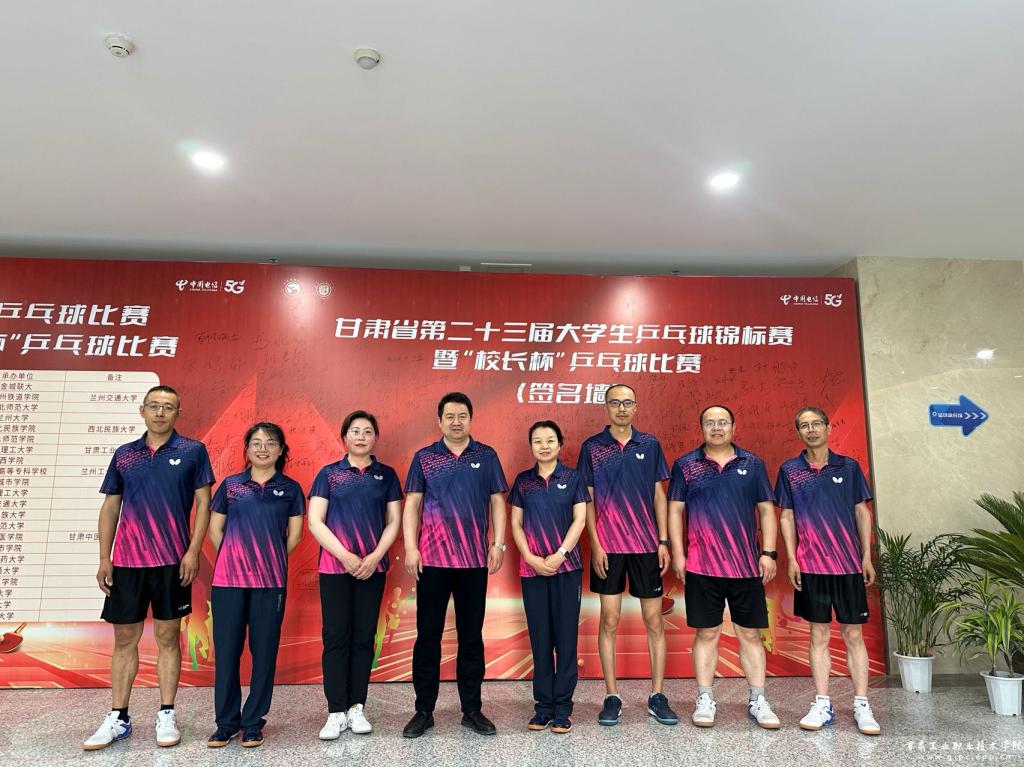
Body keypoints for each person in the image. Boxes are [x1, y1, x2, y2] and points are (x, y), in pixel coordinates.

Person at [85, 385, 214, 751]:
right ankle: (119, 717)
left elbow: (203, 504)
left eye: (168, 407)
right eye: (154, 406)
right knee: (124, 640)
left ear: (178, 413)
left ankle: (167, 713)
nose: (160, 412)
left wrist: (193, 551)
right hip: (127, 563)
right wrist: (104, 557)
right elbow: (111, 507)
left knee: (168, 638)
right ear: (142, 410)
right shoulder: (125, 455)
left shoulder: (192, 451)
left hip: (172, 562)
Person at [401, 392, 508, 738]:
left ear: (471, 419)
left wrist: (498, 543)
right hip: (432, 561)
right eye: (450, 416)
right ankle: (423, 710)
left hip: (473, 561)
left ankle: (472, 710)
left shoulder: (486, 455)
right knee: (427, 636)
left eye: (462, 415)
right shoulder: (425, 457)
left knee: (471, 637)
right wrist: (411, 547)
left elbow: (497, 501)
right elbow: (412, 504)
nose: (456, 421)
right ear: (440, 421)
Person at [667, 405, 780, 729]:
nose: (716, 428)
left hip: (746, 566)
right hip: (701, 566)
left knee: (750, 634)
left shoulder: (752, 463)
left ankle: (758, 699)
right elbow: (675, 510)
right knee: (707, 633)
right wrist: (679, 554)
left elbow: (766, 510)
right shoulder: (686, 465)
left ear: (733, 427)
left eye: (722, 422)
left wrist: (768, 553)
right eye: (710, 423)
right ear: (701, 427)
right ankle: (705, 698)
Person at [775, 407, 880, 735]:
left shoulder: (848, 467)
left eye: (816, 424)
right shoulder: (790, 470)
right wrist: (792, 559)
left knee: (853, 635)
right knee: (818, 635)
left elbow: (861, 512)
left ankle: (862, 704)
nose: (811, 430)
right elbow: (786, 516)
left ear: (828, 427)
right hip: (811, 567)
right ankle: (822, 703)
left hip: (848, 566)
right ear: (799, 432)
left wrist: (866, 556)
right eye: (804, 426)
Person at [577, 384, 676, 727]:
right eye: (615, 403)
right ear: (606, 407)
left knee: (654, 621)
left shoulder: (649, 444)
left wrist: (663, 540)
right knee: (609, 620)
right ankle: (611, 696)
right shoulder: (592, 447)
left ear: (636, 407)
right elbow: (587, 498)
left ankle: (657, 695)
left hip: (646, 546)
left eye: (627, 403)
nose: (621, 408)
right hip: (609, 547)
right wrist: (595, 543)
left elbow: (659, 495)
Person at [205, 423, 305, 748]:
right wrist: (236, 558)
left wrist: (266, 559)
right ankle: (226, 723)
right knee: (227, 652)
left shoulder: (290, 489)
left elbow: (294, 536)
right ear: (247, 449)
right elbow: (215, 530)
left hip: (270, 581)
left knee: (264, 653)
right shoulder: (231, 486)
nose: (263, 449)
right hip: (228, 581)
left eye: (270, 443)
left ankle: (253, 722)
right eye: (256, 443)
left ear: (281, 450)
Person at [308, 411, 402, 739]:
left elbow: (394, 520)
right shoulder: (329, 474)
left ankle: (356, 707)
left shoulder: (386, 475)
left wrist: (374, 557)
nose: (361, 437)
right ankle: (335, 711)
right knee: (336, 637)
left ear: (375, 438)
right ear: (344, 437)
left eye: (367, 431)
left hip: (372, 569)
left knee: (364, 638)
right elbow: (315, 521)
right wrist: (346, 556)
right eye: (355, 431)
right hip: (335, 568)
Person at [508, 421, 589, 734]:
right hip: (532, 570)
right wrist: (530, 557)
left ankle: (563, 708)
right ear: (531, 446)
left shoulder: (573, 478)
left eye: (550, 440)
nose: (544, 446)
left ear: (560, 444)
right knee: (540, 640)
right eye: (538, 441)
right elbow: (516, 524)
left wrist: (561, 554)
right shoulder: (523, 482)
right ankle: (543, 707)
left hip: (566, 569)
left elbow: (580, 519)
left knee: (566, 640)